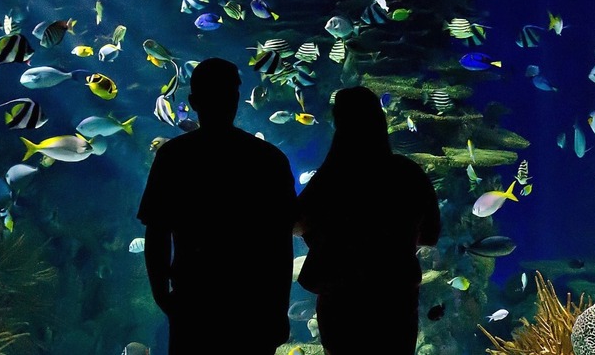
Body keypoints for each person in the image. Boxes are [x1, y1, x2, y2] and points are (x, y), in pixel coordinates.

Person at [138, 57, 297, 354]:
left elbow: (157, 233)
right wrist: (279, 309)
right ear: (236, 99)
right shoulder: (268, 160)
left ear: (193, 102)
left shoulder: (173, 157)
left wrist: (164, 297)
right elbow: (279, 244)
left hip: (194, 304)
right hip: (252, 307)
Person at [295, 86, 441, 355]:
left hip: (340, 303)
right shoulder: (407, 174)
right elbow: (431, 235)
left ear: (338, 122)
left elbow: (295, 223)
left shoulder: (330, 178)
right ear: (379, 119)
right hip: (395, 303)